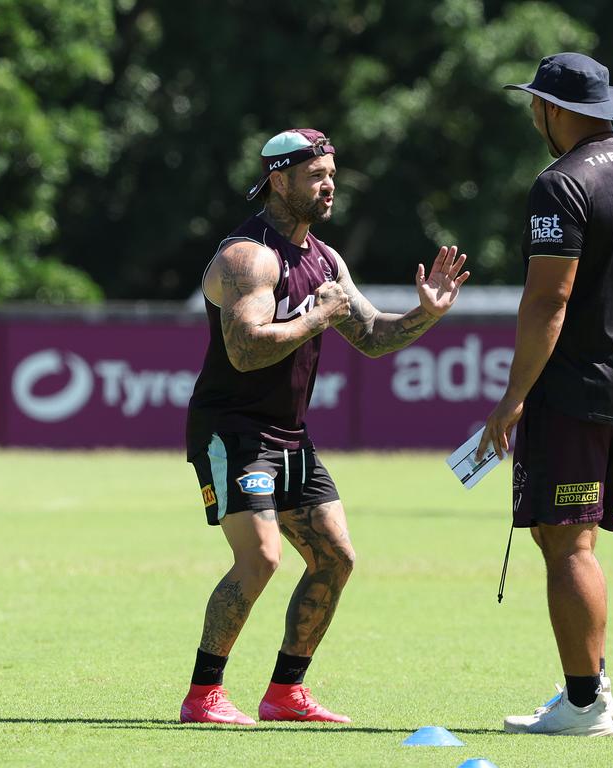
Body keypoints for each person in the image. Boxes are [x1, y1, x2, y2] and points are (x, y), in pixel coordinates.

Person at [181, 128, 470, 725]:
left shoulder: (326, 258)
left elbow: (372, 338)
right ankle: (202, 695)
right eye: (317, 175)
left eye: (332, 174)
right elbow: (244, 351)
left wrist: (427, 312)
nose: (329, 185)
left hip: (289, 434)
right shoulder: (246, 257)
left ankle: (285, 692)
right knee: (260, 558)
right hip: (231, 430)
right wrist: (317, 317)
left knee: (336, 557)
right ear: (280, 180)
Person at [477, 52, 613, 737]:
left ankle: (586, 703)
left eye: (537, 105)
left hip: (575, 391)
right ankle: (590, 690)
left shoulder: (559, 183)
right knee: (569, 538)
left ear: (556, 110)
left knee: (567, 545)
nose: (535, 115)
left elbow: (547, 301)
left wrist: (513, 396)